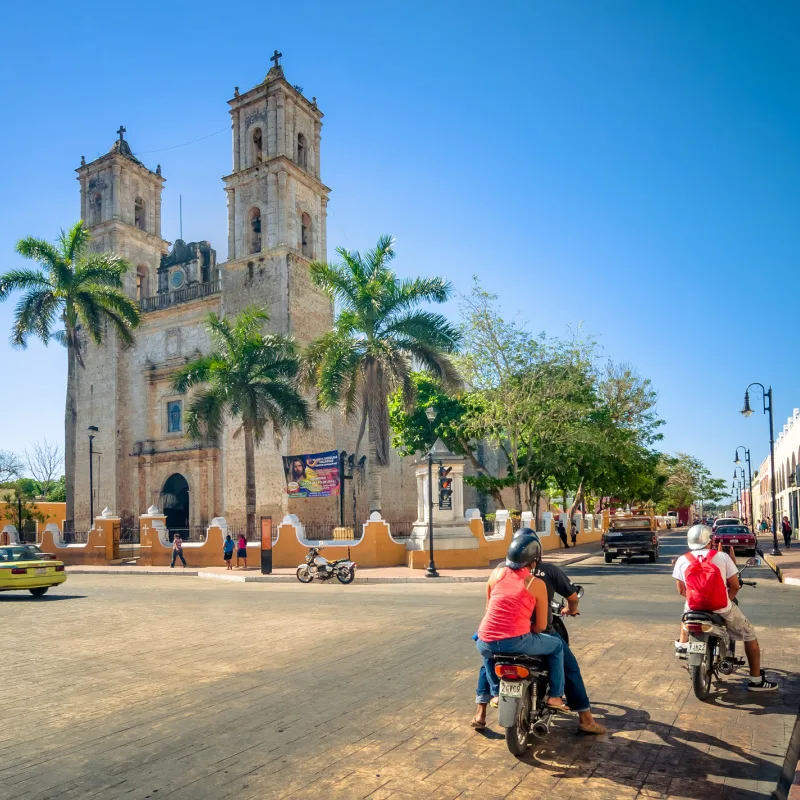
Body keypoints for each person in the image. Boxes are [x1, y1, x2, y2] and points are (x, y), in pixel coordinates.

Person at [472, 533, 606, 735]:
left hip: (486, 638)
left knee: (488, 656)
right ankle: (567, 705)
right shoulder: (538, 580)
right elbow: (542, 625)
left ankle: (489, 700)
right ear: (535, 558)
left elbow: (488, 609)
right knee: (563, 656)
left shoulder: (496, 573)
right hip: (522, 638)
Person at [672, 524, 778, 691]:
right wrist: (723, 600)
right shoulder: (722, 557)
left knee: (685, 615)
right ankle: (756, 681)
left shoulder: (682, 560)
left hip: (693, 608)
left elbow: (681, 590)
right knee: (750, 634)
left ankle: (683, 646)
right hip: (721, 608)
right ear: (711, 540)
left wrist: (699, 600)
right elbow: (734, 586)